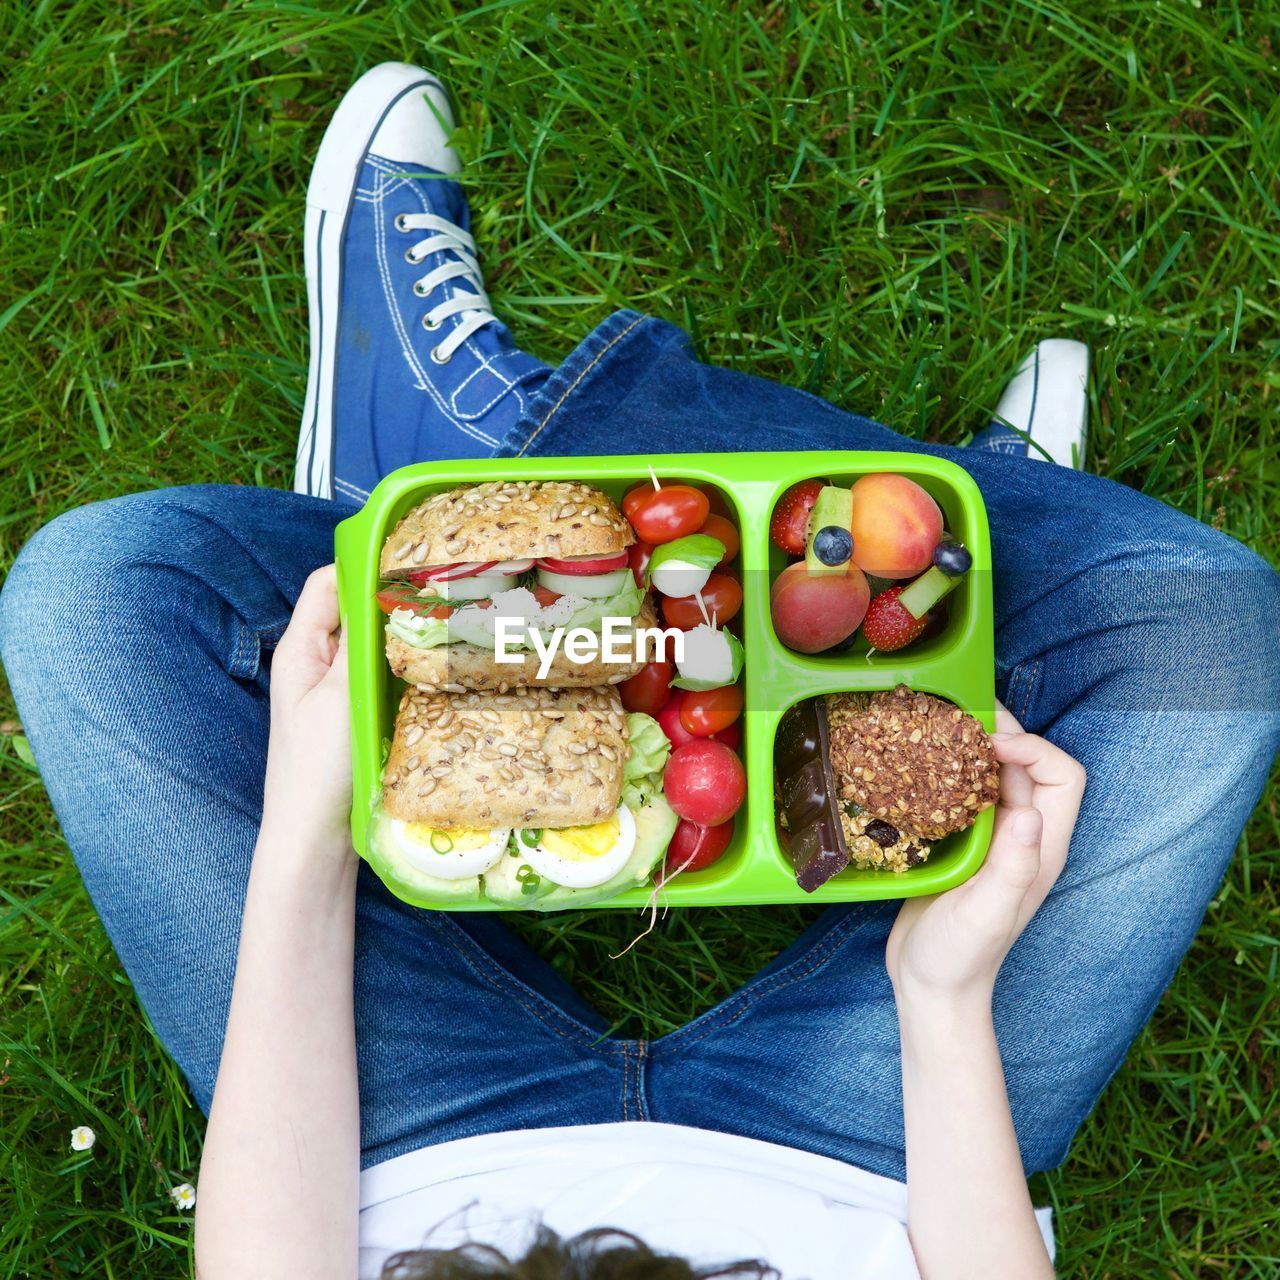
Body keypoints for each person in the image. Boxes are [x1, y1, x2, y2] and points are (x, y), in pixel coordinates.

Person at [1, 62, 1277, 1280]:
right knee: (1209, 637)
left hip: (394, 1139)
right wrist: (939, 1000)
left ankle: (452, 461)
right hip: (868, 1145)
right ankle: (928, 526)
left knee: (100, 597)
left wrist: (303, 843)